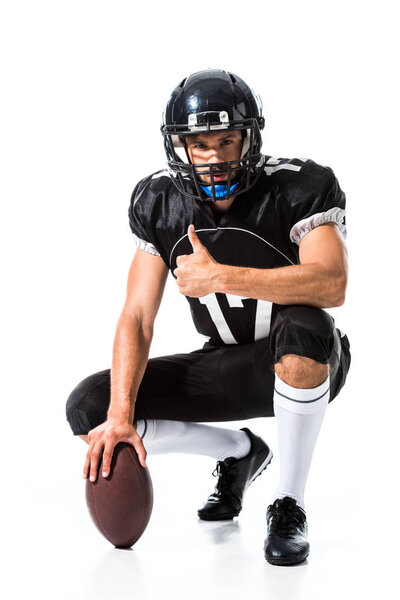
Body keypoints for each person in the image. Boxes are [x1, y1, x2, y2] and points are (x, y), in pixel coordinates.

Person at [66, 69, 351, 566]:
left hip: (307, 361)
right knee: (93, 408)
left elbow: (331, 283)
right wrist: (119, 416)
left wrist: (222, 277)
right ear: (181, 147)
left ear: (250, 137)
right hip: (226, 365)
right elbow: (137, 315)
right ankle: (240, 451)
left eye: (227, 140)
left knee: (306, 326)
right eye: (201, 144)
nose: (216, 156)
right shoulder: (158, 200)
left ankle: (288, 503)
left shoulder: (299, 185)